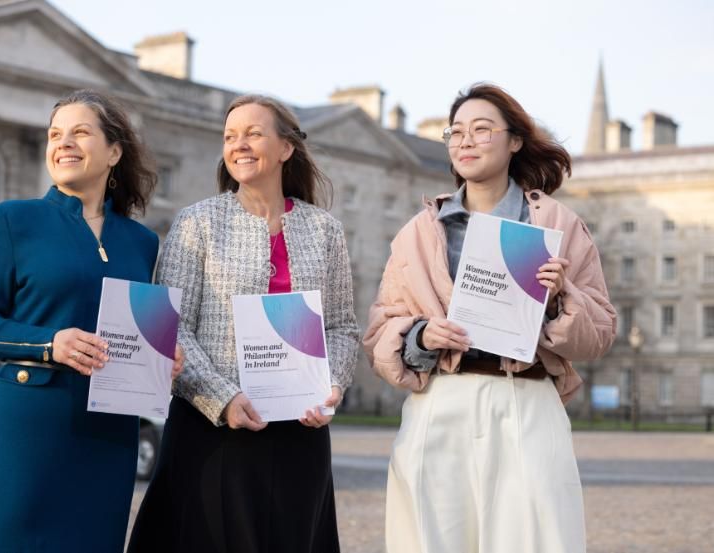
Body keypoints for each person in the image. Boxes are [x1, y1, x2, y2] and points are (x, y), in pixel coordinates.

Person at [363, 83, 616, 553]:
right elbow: (381, 329)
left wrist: (562, 299)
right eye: (455, 132)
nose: (465, 141)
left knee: (537, 539)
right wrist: (419, 334)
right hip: (442, 400)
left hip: (527, 399)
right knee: (433, 538)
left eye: (482, 130)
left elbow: (600, 333)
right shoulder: (420, 231)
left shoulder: (557, 225)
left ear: (514, 140)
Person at [128, 94, 360, 553]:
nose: (239, 144)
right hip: (212, 431)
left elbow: (342, 328)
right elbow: (170, 328)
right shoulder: (197, 222)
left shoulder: (325, 230)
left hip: (300, 433)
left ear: (285, 149)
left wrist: (331, 386)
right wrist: (222, 397)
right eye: (230, 136)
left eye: (253, 133)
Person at [0, 89, 183, 552]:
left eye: (81, 132)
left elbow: (135, 326)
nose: (64, 143)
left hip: (110, 435)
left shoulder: (141, 241)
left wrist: (162, 356)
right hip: (27, 428)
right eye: (55, 134)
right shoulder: (12, 220)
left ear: (114, 152)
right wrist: (49, 343)